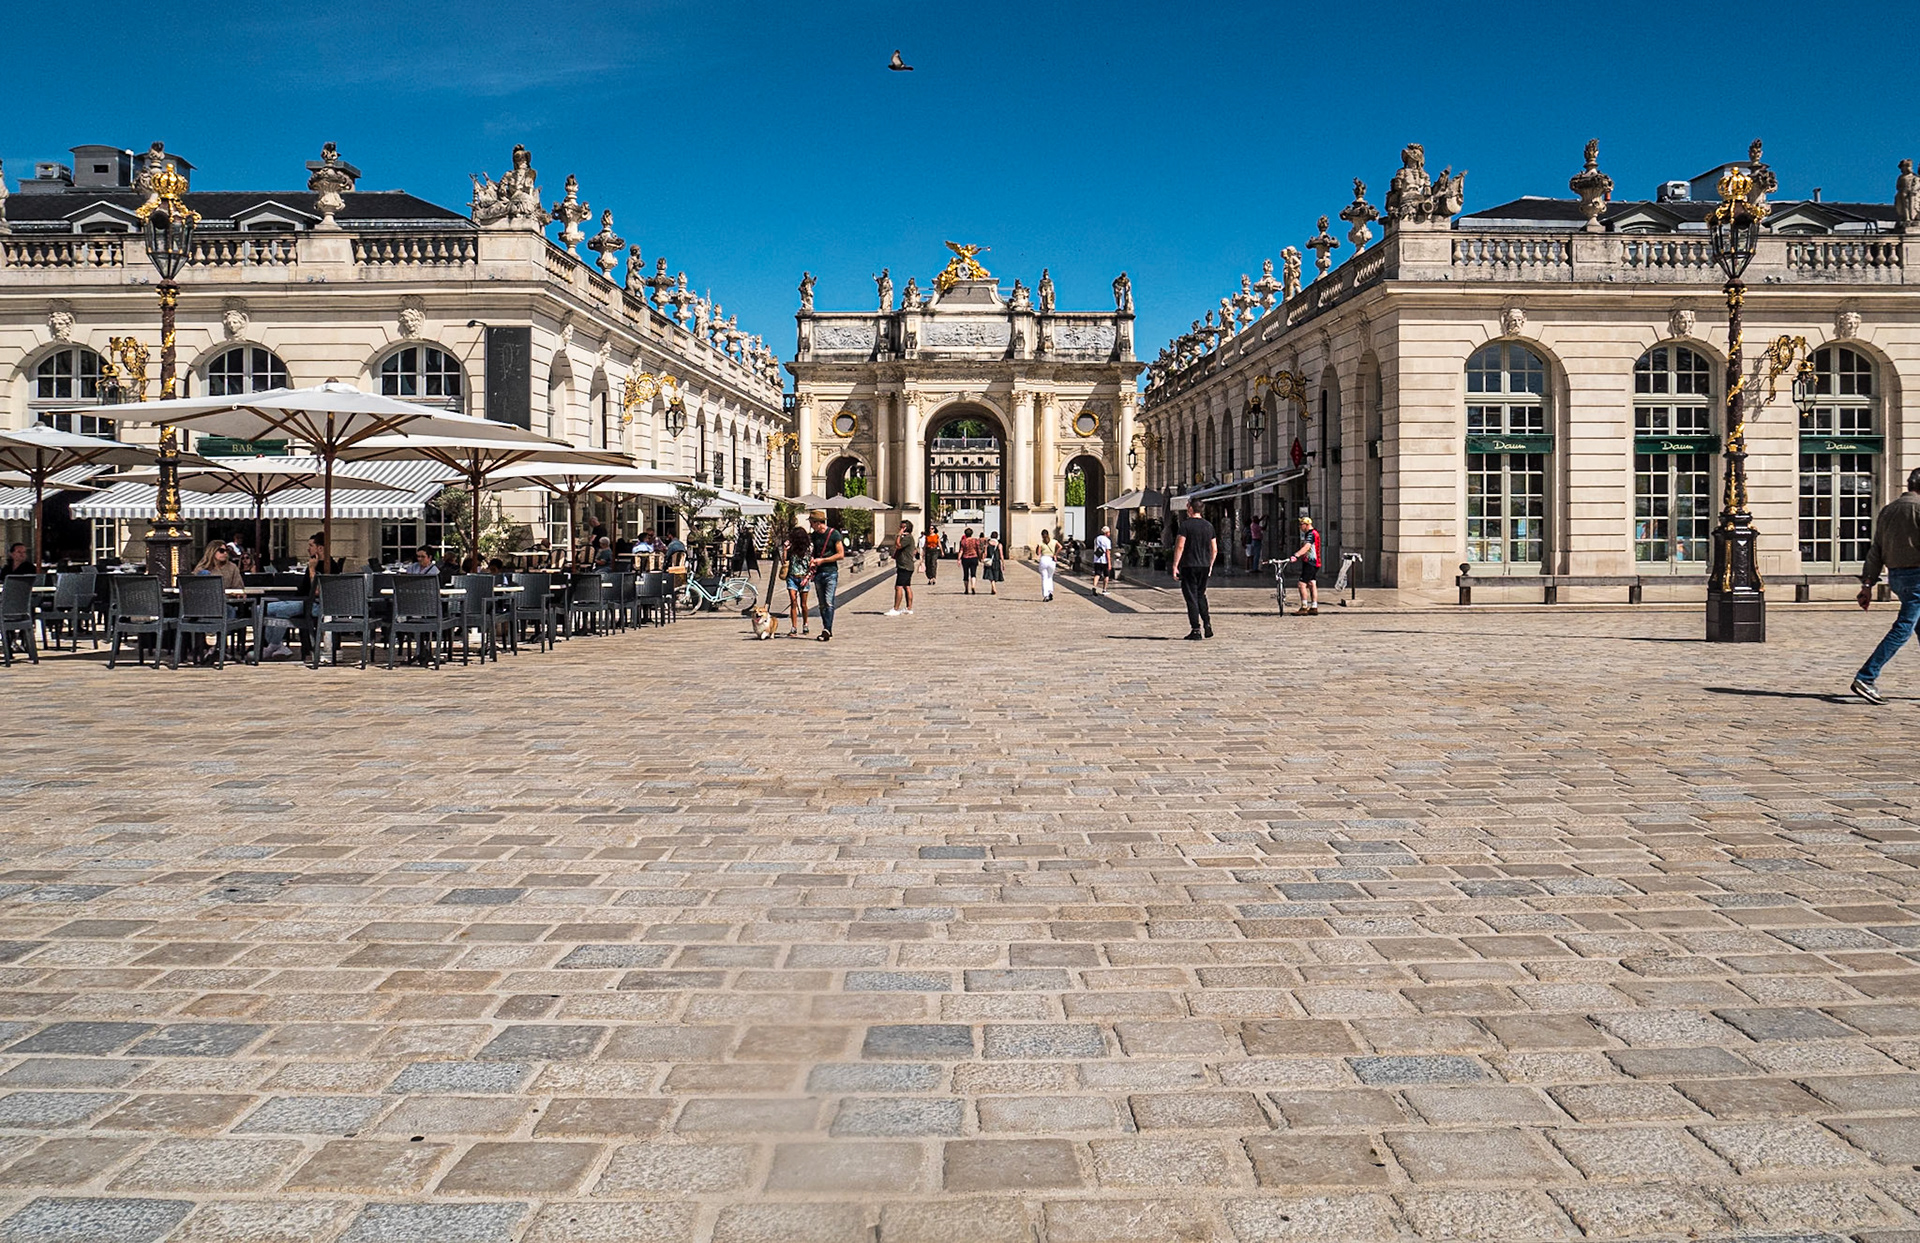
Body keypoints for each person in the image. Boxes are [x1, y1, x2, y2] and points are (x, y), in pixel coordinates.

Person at [1852, 467, 1920, 703]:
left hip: (1897, 577)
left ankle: (1866, 677)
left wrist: (1868, 583)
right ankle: (1866, 677)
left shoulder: (1888, 510)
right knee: (1903, 628)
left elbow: (1876, 549)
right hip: (1917, 577)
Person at [262, 532, 339, 659]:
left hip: (315, 605)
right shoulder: (315, 563)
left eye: (311, 545)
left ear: (320, 548)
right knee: (276, 612)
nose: (308, 549)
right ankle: (277, 645)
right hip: (303, 601)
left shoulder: (328, 566)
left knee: (263, 609)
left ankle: (274, 645)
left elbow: (318, 592)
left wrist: (312, 570)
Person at [1172, 498, 1217, 640]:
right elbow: (1214, 549)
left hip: (1189, 565)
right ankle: (1207, 624)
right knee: (1200, 595)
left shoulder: (1185, 526)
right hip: (1204, 565)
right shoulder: (1209, 526)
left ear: (1190, 508)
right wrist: (1210, 565)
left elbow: (1180, 546)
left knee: (1191, 597)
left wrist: (1174, 565)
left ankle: (1196, 629)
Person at [807, 511, 846, 640]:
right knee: (822, 604)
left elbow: (840, 555)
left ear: (818, 523)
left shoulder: (834, 534)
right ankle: (826, 628)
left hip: (830, 572)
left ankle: (827, 629)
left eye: (812, 523)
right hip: (818, 573)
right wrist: (812, 560)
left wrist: (822, 560)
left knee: (829, 602)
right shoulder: (814, 536)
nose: (811, 525)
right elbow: (812, 552)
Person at [782, 525, 812, 637]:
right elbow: (784, 561)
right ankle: (794, 627)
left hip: (804, 577)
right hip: (792, 577)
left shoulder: (809, 549)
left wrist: (808, 577)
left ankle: (805, 624)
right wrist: (785, 550)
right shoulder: (791, 548)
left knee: (803, 604)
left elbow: (811, 564)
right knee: (793, 602)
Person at [1290, 515, 1322, 615]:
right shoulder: (1314, 533)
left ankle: (1304, 607)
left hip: (1310, 562)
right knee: (1312, 583)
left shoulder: (1311, 534)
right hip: (1315, 562)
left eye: (1301, 525)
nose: (1300, 527)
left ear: (1307, 525)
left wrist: (1296, 555)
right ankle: (1314, 606)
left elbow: (1307, 547)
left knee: (1302, 584)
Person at [886, 521, 918, 616]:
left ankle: (896, 609)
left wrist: (899, 535)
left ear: (905, 528)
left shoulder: (907, 538)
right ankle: (909, 608)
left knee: (898, 587)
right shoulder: (909, 538)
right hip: (906, 565)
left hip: (905, 565)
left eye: (901, 527)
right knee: (906, 586)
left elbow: (898, 545)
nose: (899, 528)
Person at [1034, 528, 1062, 601]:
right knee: (1050, 577)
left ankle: (1045, 595)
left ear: (1042, 536)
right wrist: (1055, 554)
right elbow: (1060, 547)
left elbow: (1038, 553)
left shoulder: (1041, 543)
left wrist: (1037, 548)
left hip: (1044, 559)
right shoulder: (1054, 541)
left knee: (1044, 578)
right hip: (1051, 559)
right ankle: (1050, 591)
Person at [958, 528, 981, 595]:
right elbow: (978, 549)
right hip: (974, 557)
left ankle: (966, 589)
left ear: (965, 534)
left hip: (965, 558)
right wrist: (980, 557)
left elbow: (961, 550)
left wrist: (959, 558)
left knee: (966, 574)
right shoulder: (975, 540)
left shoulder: (963, 541)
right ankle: (973, 586)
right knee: (973, 573)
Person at [1092, 525, 1114, 594]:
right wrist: (1109, 563)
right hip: (1104, 560)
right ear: (1106, 532)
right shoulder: (1107, 540)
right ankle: (1104, 589)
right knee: (1106, 575)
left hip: (1097, 559)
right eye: (1109, 532)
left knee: (1097, 574)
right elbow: (1107, 552)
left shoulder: (1096, 539)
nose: (1109, 533)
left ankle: (1094, 586)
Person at [982, 531, 1005, 596]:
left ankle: (993, 586)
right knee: (995, 574)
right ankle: (994, 586)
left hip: (989, 561)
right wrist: (1003, 563)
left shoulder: (987, 544)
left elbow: (985, 553)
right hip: (996, 561)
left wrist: (983, 559)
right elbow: (1001, 555)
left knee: (990, 574)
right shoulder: (999, 544)